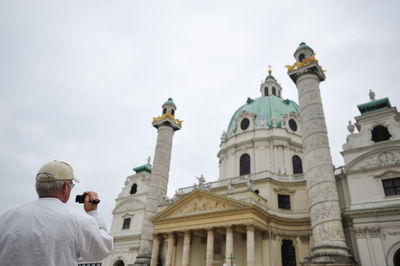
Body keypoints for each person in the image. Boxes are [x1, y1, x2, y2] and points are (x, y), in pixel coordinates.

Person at [0, 160, 113, 266]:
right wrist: (93, 213)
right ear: (65, 187)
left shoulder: (4, 217)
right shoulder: (79, 220)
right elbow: (102, 250)